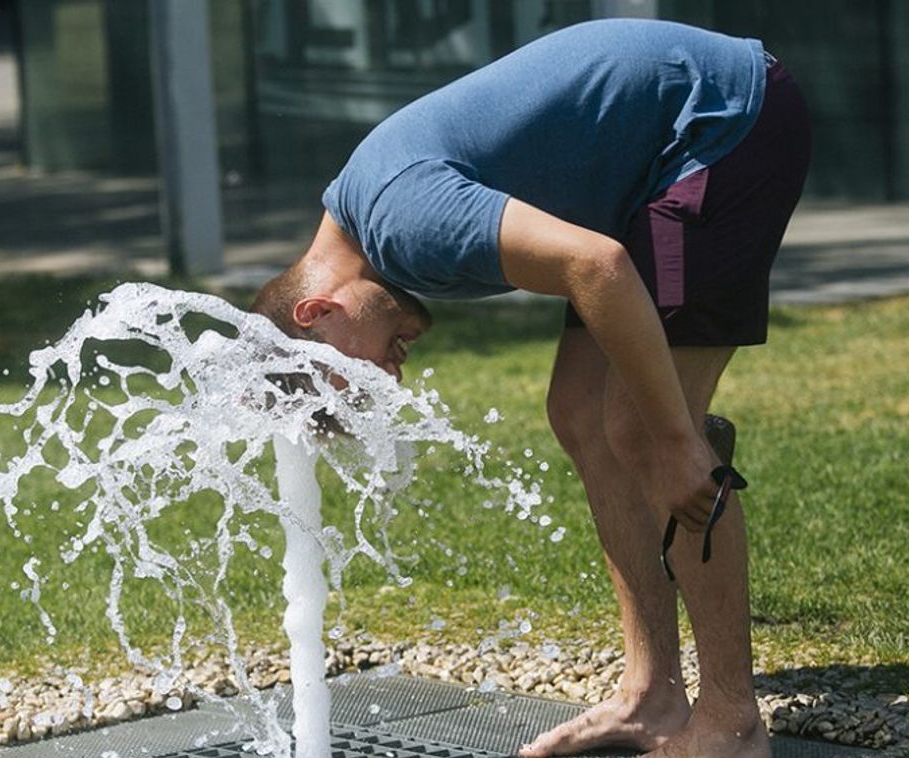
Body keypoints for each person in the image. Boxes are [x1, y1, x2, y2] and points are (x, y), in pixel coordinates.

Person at [251, 17, 810, 758]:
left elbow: (596, 267)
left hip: (718, 121)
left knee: (646, 430)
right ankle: (650, 696)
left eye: (351, 374)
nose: (383, 378)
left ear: (318, 312)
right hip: (655, 154)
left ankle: (732, 725)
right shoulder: (370, 223)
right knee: (580, 413)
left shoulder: (405, 226)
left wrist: (677, 440)